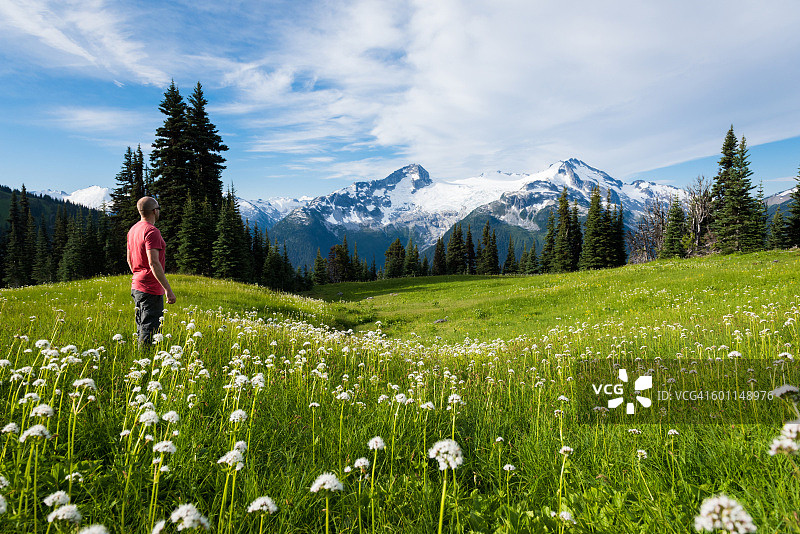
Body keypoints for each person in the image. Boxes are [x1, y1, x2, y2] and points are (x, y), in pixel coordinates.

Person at [127, 196, 176, 345]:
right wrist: (168, 289)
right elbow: (153, 262)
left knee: (141, 327)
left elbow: (129, 259)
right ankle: (146, 357)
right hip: (151, 288)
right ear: (155, 211)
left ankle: (140, 355)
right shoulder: (152, 231)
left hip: (137, 285)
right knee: (150, 331)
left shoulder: (133, 230)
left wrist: (138, 275)